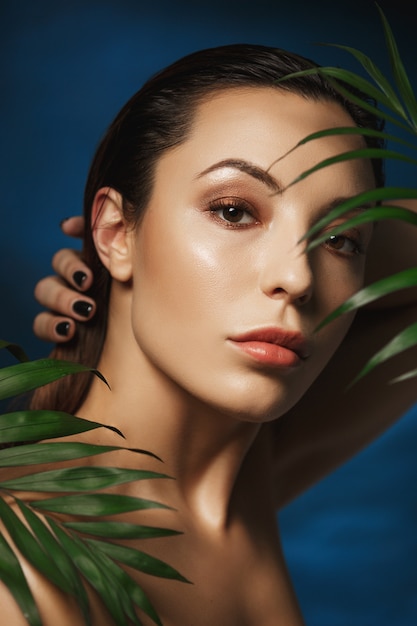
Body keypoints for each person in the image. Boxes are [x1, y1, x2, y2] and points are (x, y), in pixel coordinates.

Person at [3, 43, 417, 625]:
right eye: (232, 211)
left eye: (339, 242)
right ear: (116, 229)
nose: (297, 278)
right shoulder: (22, 560)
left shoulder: (243, 474)